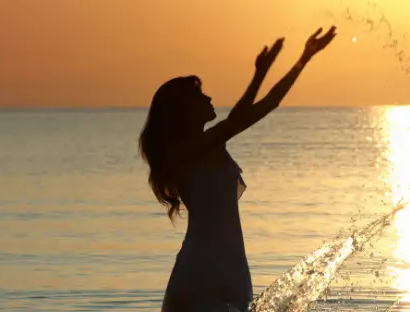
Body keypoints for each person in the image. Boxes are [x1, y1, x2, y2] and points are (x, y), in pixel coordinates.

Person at [138, 26, 337, 312]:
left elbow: (269, 104)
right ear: (182, 110)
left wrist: (304, 58)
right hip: (201, 274)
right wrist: (259, 73)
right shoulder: (181, 153)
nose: (208, 98)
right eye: (199, 96)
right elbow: (234, 122)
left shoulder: (213, 146)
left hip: (231, 271)